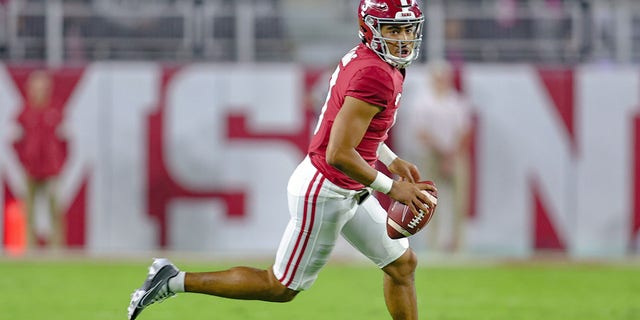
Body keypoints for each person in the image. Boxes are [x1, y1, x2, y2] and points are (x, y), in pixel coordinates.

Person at [127, 1, 435, 319]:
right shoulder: (375, 74)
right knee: (279, 287)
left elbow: (354, 128)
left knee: (401, 265)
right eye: (393, 29)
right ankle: (172, 280)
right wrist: (390, 187)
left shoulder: (375, 63)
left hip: (350, 186)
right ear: (370, 29)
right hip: (327, 190)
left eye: (408, 29)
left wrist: (390, 158)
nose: (403, 38)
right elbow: (338, 152)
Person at [407, 60, 472, 252]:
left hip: (455, 155)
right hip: (432, 155)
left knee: (459, 201)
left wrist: (451, 155)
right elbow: (421, 132)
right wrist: (443, 151)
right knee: (429, 201)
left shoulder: (457, 101)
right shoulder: (423, 103)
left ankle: (458, 244)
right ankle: (433, 243)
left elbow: (465, 131)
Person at [13, 69, 67, 250]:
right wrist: (24, 160)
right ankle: (30, 247)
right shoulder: (25, 113)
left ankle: (57, 247)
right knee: (29, 211)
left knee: (55, 209)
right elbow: (16, 140)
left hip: (51, 169)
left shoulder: (55, 111)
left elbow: (65, 140)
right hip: (30, 169)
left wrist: (59, 162)